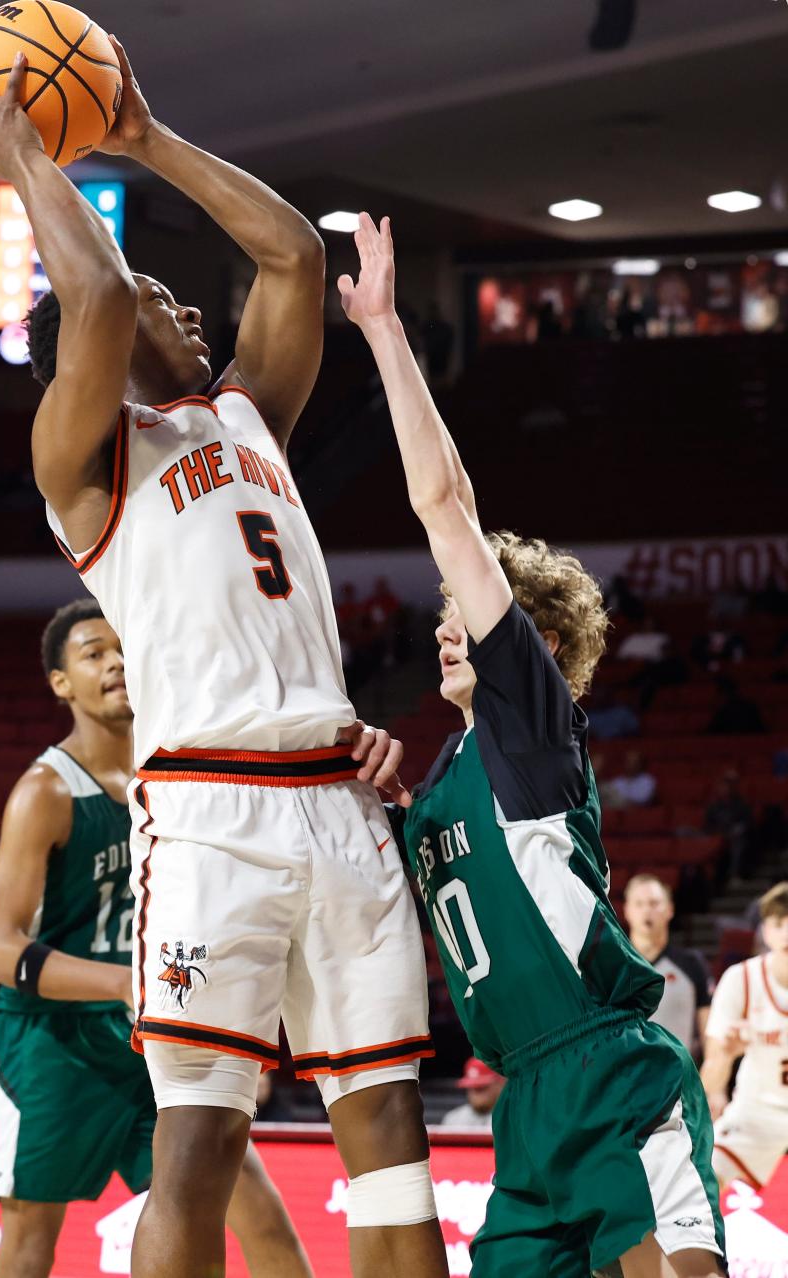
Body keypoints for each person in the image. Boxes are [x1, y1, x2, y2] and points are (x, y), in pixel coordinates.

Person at [0, 44, 445, 1278]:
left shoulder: (248, 413)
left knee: (388, 1133)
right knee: (199, 1144)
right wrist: (21, 156)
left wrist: (145, 137)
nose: (177, 304)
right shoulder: (86, 465)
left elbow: (292, 256)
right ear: (89, 360)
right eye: (154, 294)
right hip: (213, 811)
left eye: (176, 292)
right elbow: (102, 302)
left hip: (335, 798)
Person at [338, 212, 725, 1276]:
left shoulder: (530, 721)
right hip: (526, 1103)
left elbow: (443, 502)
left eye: (471, 612)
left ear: (540, 647)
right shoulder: (456, 774)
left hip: (608, 1069)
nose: (445, 625)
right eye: (445, 616)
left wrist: (381, 331)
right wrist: (387, 795)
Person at [0, 600, 346, 1278]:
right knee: (30, 1247)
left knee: (259, 1214)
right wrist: (120, 981)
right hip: (54, 1048)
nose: (115, 660)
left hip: (153, 1036)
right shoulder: (45, 792)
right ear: (61, 683)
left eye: (122, 647)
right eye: (93, 652)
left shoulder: (172, 773)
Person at [700, 881, 788, 1194]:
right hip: (754, 1114)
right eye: (779, 924)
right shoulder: (741, 980)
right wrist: (726, 1054)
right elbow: (710, 1079)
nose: (787, 933)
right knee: (698, 1184)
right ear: (765, 930)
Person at [623, 875, 712, 1060]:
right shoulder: (611, 965)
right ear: (627, 911)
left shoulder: (691, 964)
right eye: (639, 904)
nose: (647, 910)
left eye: (654, 903)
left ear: (670, 910)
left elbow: (708, 1033)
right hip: (626, 1081)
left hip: (679, 1080)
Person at [704, 770, 755, 882]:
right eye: (721, 786)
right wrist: (715, 832)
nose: (723, 789)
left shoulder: (740, 804)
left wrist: (736, 830)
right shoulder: (714, 806)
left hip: (734, 836)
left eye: (726, 786)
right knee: (684, 831)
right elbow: (707, 825)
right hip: (716, 835)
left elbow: (747, 822)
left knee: (738, 843)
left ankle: (734, 875)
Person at [439, 1058, 505, 1132]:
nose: (476, 1095)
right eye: (472, 1088)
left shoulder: (511, 1118)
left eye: (481, 1088)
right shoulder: (453, 1119)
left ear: (500, 1084)